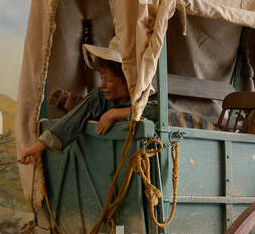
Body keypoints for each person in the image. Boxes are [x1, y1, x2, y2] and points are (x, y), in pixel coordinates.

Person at [17, 44, 154, 165]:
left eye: (110, 81)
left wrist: (115, 114)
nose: (103, 85)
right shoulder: (99, 97)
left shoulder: (142, 97)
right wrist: (37, 148)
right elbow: (73, 119)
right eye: (101, 78)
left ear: (128, 82)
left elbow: (157, 111)